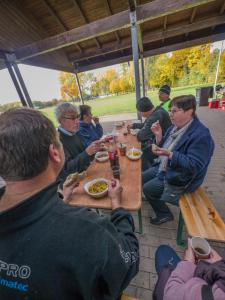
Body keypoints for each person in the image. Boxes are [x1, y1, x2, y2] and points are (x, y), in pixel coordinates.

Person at [0, 107, 139, 300]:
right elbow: (129, 263)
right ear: (54, 153)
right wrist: (117, 206)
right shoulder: (89, 229)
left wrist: (63, 201)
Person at [142, 95, 214, 225]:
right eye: (170, 110)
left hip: (181, 178)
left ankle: (164, 214)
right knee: (141, 178)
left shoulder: (201, 135)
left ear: (189, 111)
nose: (170, 114)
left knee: (148, 189)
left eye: (174, 111)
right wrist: (158, 136)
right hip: (165, 167)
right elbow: (164, 146)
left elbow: (194, 165)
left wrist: (171, 155)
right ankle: (154, 198)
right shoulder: (175, 127)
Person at [153, 239, 225, 300]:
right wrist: (220, 265)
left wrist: (188, 262)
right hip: (204, 274)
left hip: (175, 287)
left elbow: (171, 295)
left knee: (163, 251)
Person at [55, 102, 100, 182]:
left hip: (87, 173)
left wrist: (95, 149)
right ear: (61, 120)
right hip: (76, 184)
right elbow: (67, 170)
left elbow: (84, 153)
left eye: (77, 117)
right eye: (72, 118)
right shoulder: (57, 141)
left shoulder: (74, 132)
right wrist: (87, 153)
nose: (77, 121)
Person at [130, 97, 171, 170]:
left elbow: (141, 136)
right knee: (141, 146)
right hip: (162, 140)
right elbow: (146, 125)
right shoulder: (157, 110)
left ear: (142, 112)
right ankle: (150, 165)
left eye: (139, 111)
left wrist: (137, 132)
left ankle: (147, 171)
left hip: (165, 145)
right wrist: (133, 125)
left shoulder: (155, 116)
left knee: (141, 151)